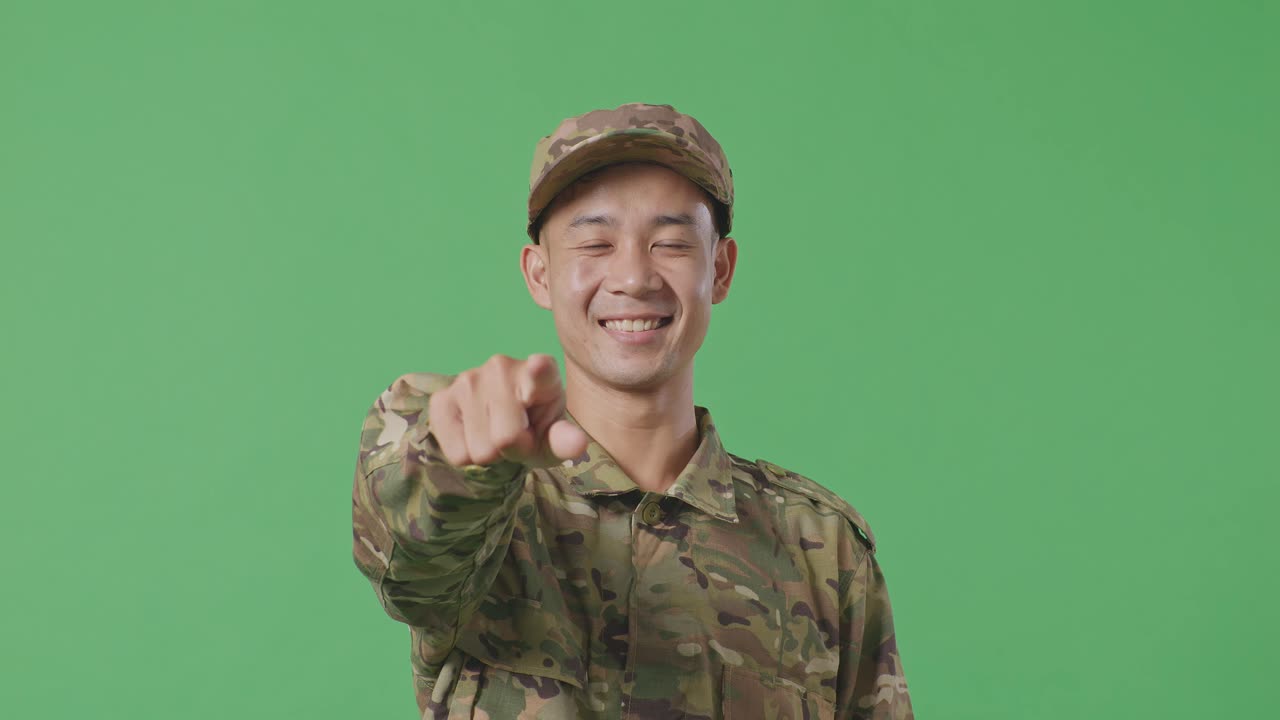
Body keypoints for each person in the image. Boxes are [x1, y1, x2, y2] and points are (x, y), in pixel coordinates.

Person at [350, 102, 914, 719]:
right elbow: (410, 555)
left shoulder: (820, 545)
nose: (633, 277)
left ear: (719, 269)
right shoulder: (491, 509)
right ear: (539, 274)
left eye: (670, 242)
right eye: (595, 242)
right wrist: (461, 462)